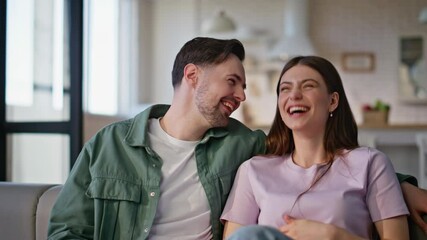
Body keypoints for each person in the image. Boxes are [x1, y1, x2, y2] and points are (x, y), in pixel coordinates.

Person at [47, 37, 427, 240]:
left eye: (244, 85)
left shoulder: (242, 145)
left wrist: (399, 184)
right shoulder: (111, 144)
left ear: (332, 101)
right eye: (232, 82)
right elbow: (67, 230)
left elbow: (313, 158)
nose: (242, 96)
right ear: (193, 75)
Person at [221, 56, 410, 240]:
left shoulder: (370, 162)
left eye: (308, 86)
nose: (294, 95)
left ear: (333, 101)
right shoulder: (253, 171)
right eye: (285, 89)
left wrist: (333, 235)